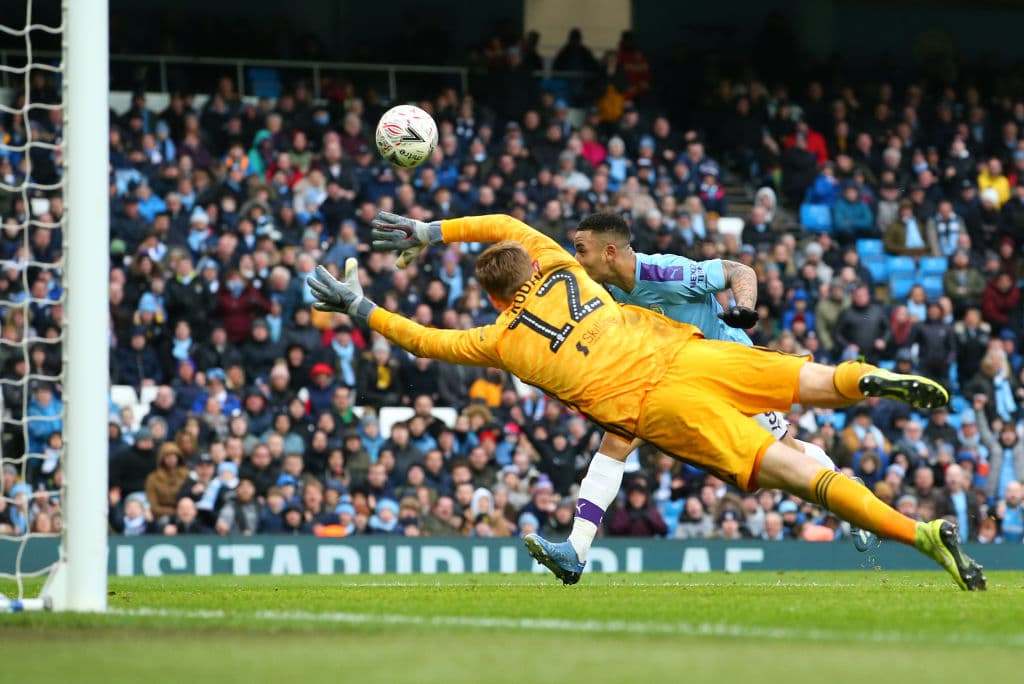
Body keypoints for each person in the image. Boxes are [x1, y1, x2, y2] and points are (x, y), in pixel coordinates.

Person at [308, 210, 982, 592]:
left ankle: (919, 535)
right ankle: (869, 378)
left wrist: (360, 306)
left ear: (490, 297)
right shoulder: (567, 269)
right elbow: (503, 221)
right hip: (693, 350)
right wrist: (431, 232)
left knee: (797, 472)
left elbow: (423, 340)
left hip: (654, 404)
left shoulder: (499, 340)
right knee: (811, 377)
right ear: (534, 265)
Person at [545, 211, 875, 556]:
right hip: (673, 378)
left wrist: (744, 307)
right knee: (615, 441)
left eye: (581, 250)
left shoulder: (664, 273)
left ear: (609, 252)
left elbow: (739, 270)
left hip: (729, 368)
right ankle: (576, 550)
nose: (576, 259)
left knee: (787, 455)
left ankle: (852, 498)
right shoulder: (607, 288)